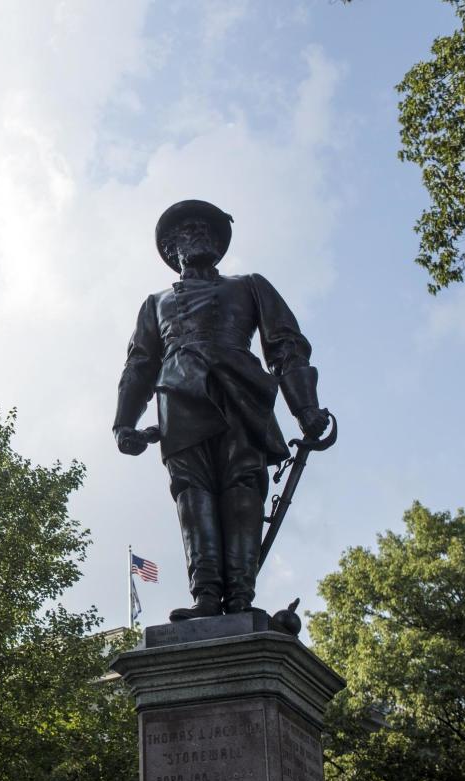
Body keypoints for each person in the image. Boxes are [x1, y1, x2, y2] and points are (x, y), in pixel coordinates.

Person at [114, 200, 331, 622]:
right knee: (191, 495)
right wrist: (124, 422)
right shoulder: (154, 303)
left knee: (243, 490)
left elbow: (286, 347)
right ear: (171, 248)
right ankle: (207, 595)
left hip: (241, 395)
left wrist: (306, 409)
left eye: (207, 230)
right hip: (179, 400)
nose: (200, 236)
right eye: (188, 231)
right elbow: (140, 364)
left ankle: (242, 598)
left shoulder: (250, 286)